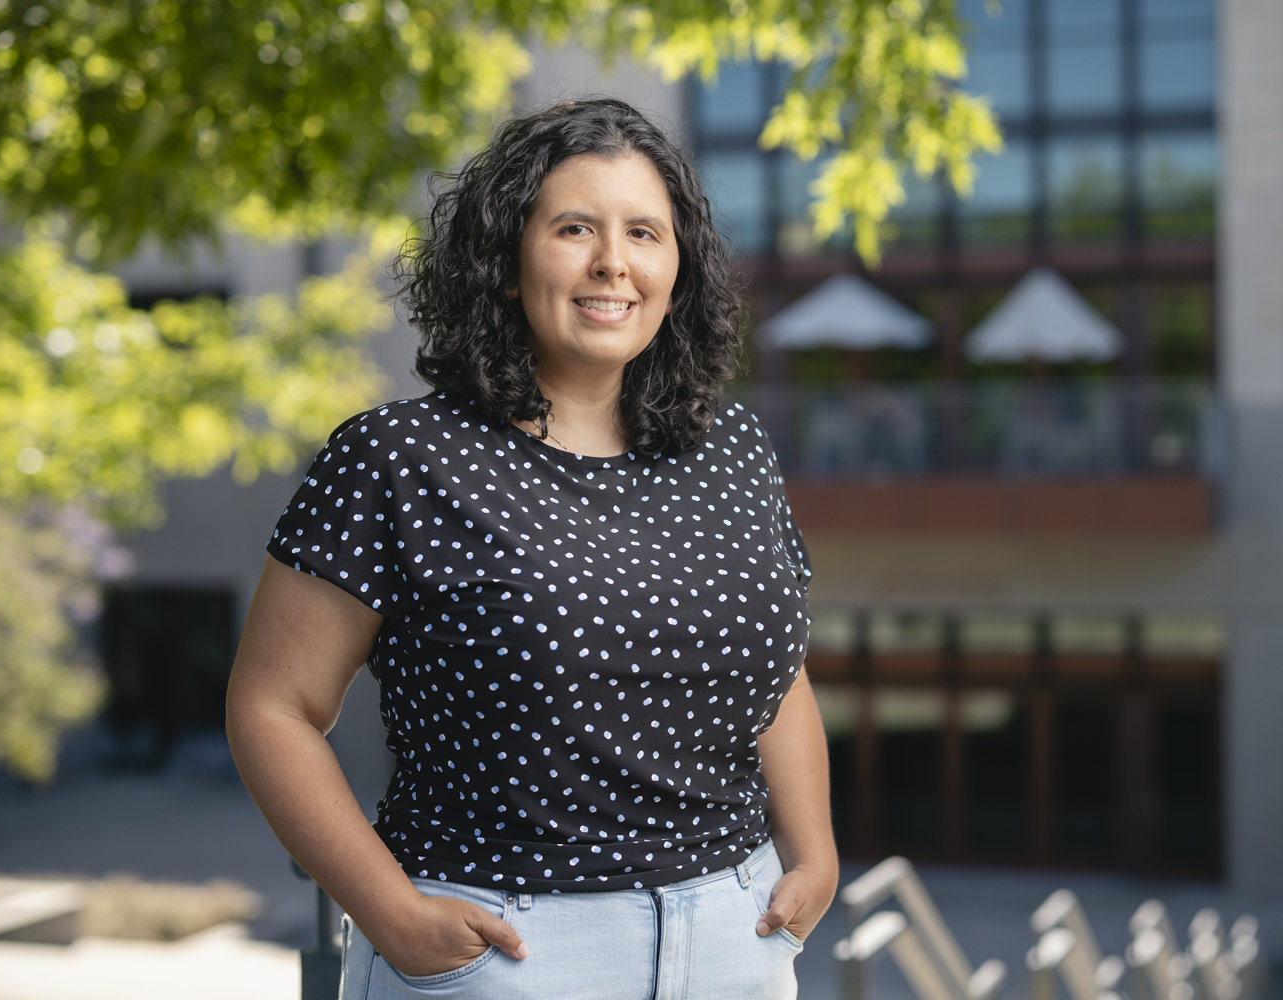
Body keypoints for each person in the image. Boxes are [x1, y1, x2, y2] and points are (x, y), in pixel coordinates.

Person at [226, 97, 837, 1000]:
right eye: (574, 228)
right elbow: (272, 708)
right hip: (503, 951)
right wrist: (387, 911)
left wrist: (814, 852)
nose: (612, 263)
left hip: (732, 938)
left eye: (643, 233)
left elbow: (772, 673)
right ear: (506, 263)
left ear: (678, 272)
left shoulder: (733, 449)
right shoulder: (398, 458)